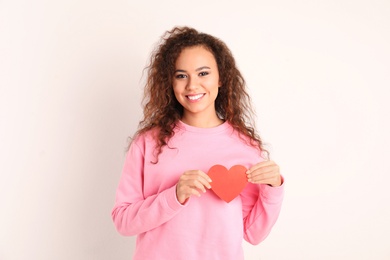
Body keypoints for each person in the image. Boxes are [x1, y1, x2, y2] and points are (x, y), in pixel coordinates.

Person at [111, 26, 284, 260]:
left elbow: (253, 233)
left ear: (221, 77)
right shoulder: (148, 143)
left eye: (203, 73)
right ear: (170, 83)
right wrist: (174, 196)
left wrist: (273, 189)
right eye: (181, 75)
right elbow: (123, 222)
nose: (192, 85)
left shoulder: (245, 146)